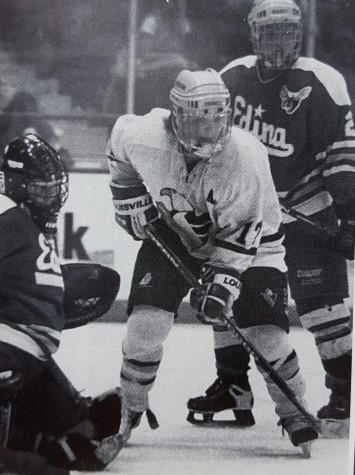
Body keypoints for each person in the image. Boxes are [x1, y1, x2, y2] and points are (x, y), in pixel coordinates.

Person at [107, 67, 318, 454]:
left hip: (254, 247)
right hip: (176, 233)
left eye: (219, 117)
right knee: (145, 326)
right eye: (201, 119)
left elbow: (240, 240)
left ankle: (295, 408)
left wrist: (222, 285)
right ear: (177, 115)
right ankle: (129, 407)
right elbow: (119, 150)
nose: (213, 129)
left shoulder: (245, 156)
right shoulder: (142, 135)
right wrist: (127, 197)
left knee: (267, 337)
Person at [187, 0, 355, 438]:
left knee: (324, 309)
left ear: (298, 34)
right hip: (248, 215)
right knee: (227, 294)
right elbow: (209, 142)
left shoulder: (323, 81)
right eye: (270, 31)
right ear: (253, 34)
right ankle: (232, 386)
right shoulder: (232, 77)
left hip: (306, 211)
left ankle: (342, 392)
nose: (278, 39)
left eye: (286, 31)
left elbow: (340, 155)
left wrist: (351, 212)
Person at [0, 134, 123, 472]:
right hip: (35, 355)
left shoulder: (8, 213)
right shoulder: (27, 226)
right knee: (64, 421)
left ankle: (21, 445)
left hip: (9, 349)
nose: (50, 198)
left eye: (53, 189)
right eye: (42, 189)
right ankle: (70, 426)